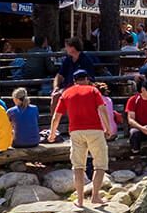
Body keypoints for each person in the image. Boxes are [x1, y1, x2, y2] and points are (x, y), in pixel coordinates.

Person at [47, 68, 114, 205]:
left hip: (76, 132)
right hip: (95, 130)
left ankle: (80, 200)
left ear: (74, 81)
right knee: (100, 164)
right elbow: (102, 110)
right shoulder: (93, 91)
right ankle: (95, 196)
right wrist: (108, 128)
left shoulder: (66, 93)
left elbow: (56, 116)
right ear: (87, 79)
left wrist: (52, 133)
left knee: (78, 166)